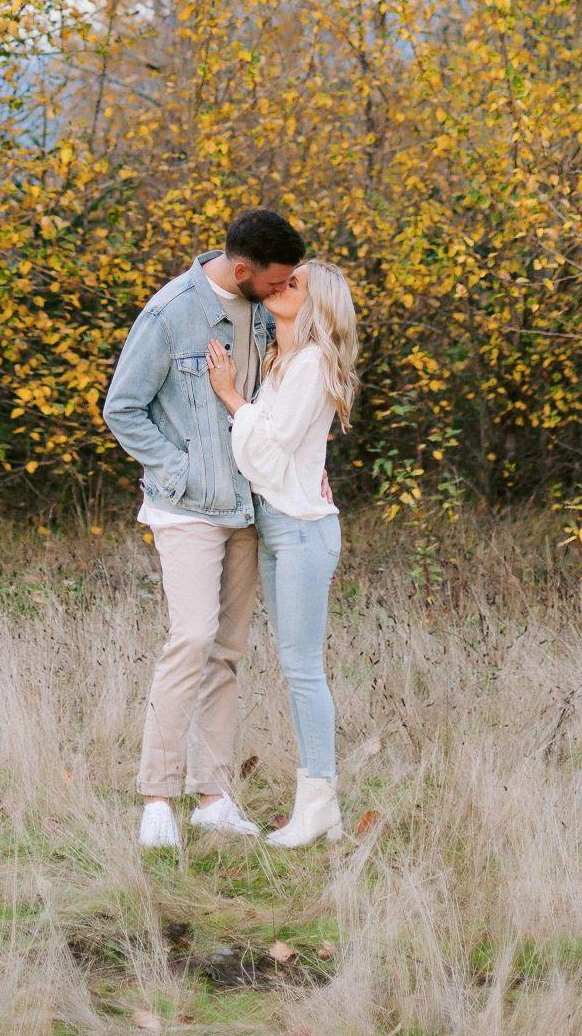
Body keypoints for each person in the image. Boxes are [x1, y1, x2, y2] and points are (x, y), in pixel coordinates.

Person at [100, 209, 306, 851]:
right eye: (273, 282)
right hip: (186, 506)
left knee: (226, 650)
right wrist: (179, 469)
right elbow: (122, 408)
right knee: (190, 638)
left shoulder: (268, 311)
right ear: (242, 269)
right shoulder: (170, 313)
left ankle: (212, 797)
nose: (282, 291)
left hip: (248, 504)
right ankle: (157, 798)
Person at [205, 259, 355, 848]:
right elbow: (272, 453)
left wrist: (230, 398)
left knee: (303, 669)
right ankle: (323, 810)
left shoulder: (313, 363)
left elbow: (267, 458)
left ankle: (317, 805)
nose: (281, 284)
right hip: (278, 526)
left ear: (315, 303)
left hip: (301, 531)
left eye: (295, 283)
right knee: (296, 666)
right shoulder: (283, 360)